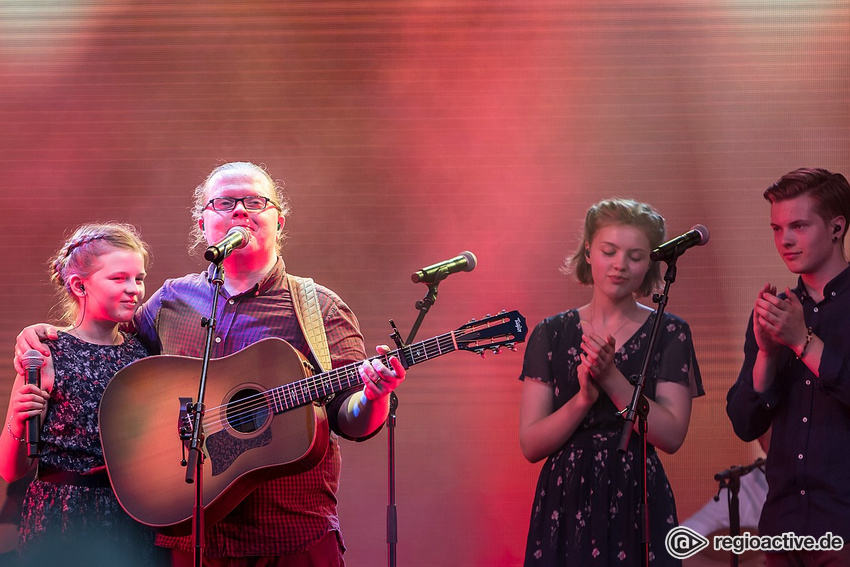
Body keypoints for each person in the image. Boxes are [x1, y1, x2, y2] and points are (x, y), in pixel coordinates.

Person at [14, 162, 405, 566]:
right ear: (203, 224)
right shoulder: (170, 300)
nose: (240, 210)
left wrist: (374, 395)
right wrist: (49, 337)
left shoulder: (320, 308)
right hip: (186, 536)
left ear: (279, 221)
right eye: (224, 202)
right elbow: (107, 347)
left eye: (255, 201)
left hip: (289, 536)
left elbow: (351, 419)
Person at [518, 198, 704, 566]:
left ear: (651, 261)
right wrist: (584, 398)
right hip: (565, 496)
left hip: (637, 491)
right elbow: (531, 444)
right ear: (588, 252)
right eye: (609, 251)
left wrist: (612, 378)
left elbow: (671, 436)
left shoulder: (669, 331)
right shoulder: (551, 333)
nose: (620, 265)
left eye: (635, 256)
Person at [0, 223, 163, 566]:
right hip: (62, 518)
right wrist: (18, 415)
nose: (133, 289)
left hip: (131, 517)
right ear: (79, 285)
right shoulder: (45, 352)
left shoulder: (144, 357)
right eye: (119, 278)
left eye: (139, 278)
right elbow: (11, 470)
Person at [726, 167, 850, 566]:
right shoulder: (777, 311)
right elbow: (745, 424)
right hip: (783, 529)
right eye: (777, 229)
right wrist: (766, 354)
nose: (786, 240)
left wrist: (802, 341)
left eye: (798, 225)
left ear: (837, 227)